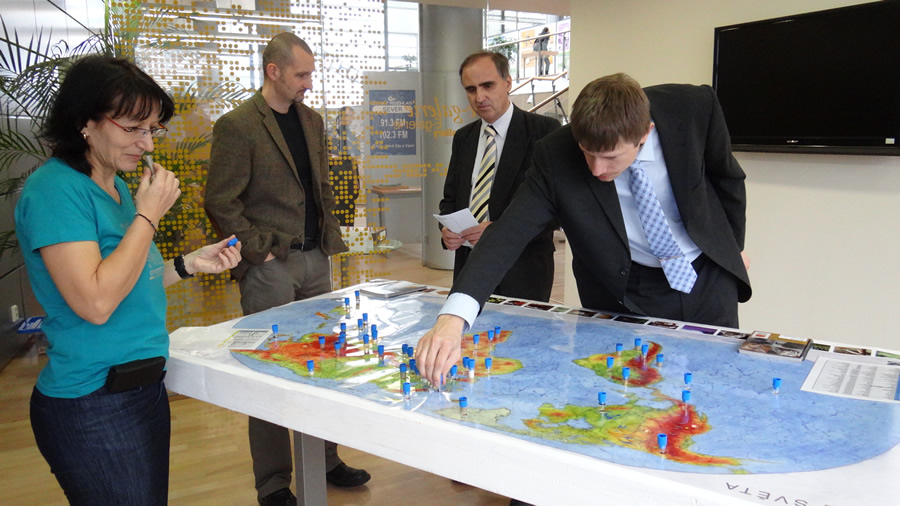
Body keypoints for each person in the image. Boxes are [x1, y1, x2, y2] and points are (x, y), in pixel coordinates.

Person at [416, 72, 752, 388]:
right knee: (627, 398)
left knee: (714, 386)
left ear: (644, 134)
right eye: (587, 154)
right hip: (626, 290)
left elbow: (727, 179)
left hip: (706, 277)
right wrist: (453, 318)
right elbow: (506, 235)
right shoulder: (554, 154)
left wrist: (732, 248)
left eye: (610, 157)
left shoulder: (693, 108)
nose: (597, 169)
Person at [14, 55, 242, 505]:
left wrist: (186, 265)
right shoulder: (55, 191)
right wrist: (149, 215)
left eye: (152, 130)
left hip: (141, 387)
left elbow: (126, 284)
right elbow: (96, 303)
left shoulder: (116, 187)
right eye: (133, 128)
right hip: (92, 402)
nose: (148, 145)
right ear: (85, 122)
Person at [204, 33, 369, 505]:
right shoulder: (238, 125)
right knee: (270, 372)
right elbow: (220, 200)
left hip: (317, 260)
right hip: (271, 269)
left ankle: (326, 459)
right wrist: (259, 251)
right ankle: (274, 482)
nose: (308, 83)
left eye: (310, 73)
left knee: (325, 363)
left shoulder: (312, 121)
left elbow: (319, 188)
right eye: (301, 74)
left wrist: (328, 238)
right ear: (273, 71)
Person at [439, 51, 560, 302]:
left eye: (488, 85)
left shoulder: (544, 132)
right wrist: (446, 229)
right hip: (470, 267)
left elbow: (554, 208)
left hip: (523, 270)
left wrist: (499, 231)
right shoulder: (464, 138)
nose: (479, 97)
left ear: (508, 83)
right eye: (471, 89)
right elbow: (450, 198)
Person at [328, 106, 361, 226]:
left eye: (351, 116)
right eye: (347, 115)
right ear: (340, 116)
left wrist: (356, 180)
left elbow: (354, 160)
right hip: (335, 177)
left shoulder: (351, 135)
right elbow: (321, 153)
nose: (350, 119)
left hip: (349, 179)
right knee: (336, 210)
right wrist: (330, 157)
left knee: (348, 210)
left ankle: (349, 236)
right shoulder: (331, 133)